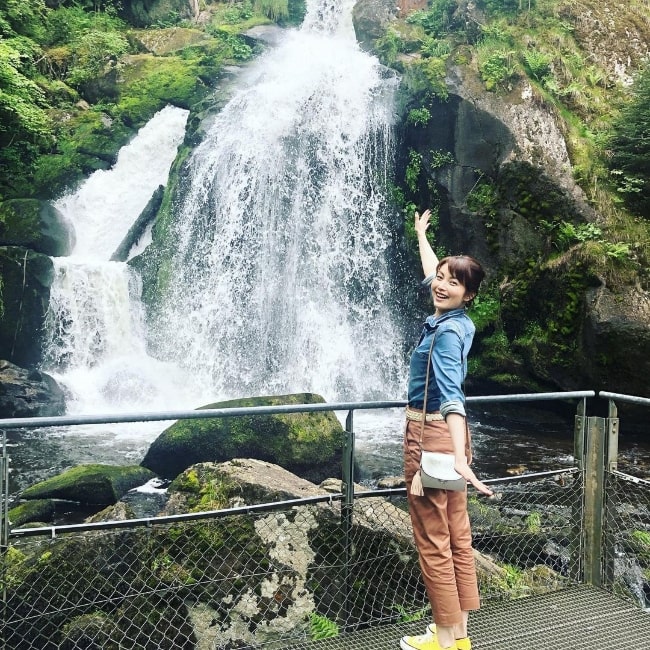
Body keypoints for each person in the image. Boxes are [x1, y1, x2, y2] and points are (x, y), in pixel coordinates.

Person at [400, 209, 493, 650]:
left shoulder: (446, 337)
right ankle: (459, 639)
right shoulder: (456, 321)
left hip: (430, 438)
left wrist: (456, 457)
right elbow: (432, 272)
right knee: (456, 536)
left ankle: (443, 639)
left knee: (433, 543)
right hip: (445, 439)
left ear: (468, 294)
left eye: (453, 282)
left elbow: (452, 396)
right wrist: (422, 236)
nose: (440, 284)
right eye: (440, 277)